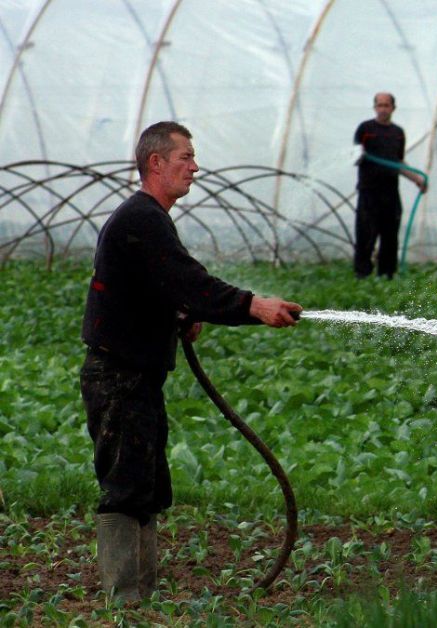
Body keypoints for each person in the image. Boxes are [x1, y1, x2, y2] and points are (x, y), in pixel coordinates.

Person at [80, 121, 302, 601]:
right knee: (125, 484)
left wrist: (178, 313)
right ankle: (126, 599)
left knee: (147, 483)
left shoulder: (149, 218)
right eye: (186, 157)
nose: (195, 167)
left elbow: (158, 287)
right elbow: (188, 281)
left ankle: (141, 593)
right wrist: (254, 305)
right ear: (155, 163)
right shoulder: (141, 218)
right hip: (118, 378)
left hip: (136, 377)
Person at [352, 91, 427, 279]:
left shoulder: (397, 133)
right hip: (369, 191)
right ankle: (362, 275)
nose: (383, 109)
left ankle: (386, 274)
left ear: (393, 108)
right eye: (379, 105)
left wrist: (417, 179)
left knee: (390, 235)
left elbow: (398, 162)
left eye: (386, 105)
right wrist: (359, 155)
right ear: (374, 107)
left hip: (390, 192)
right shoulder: (365, 129)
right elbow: (353, 156)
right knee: (366, 234)